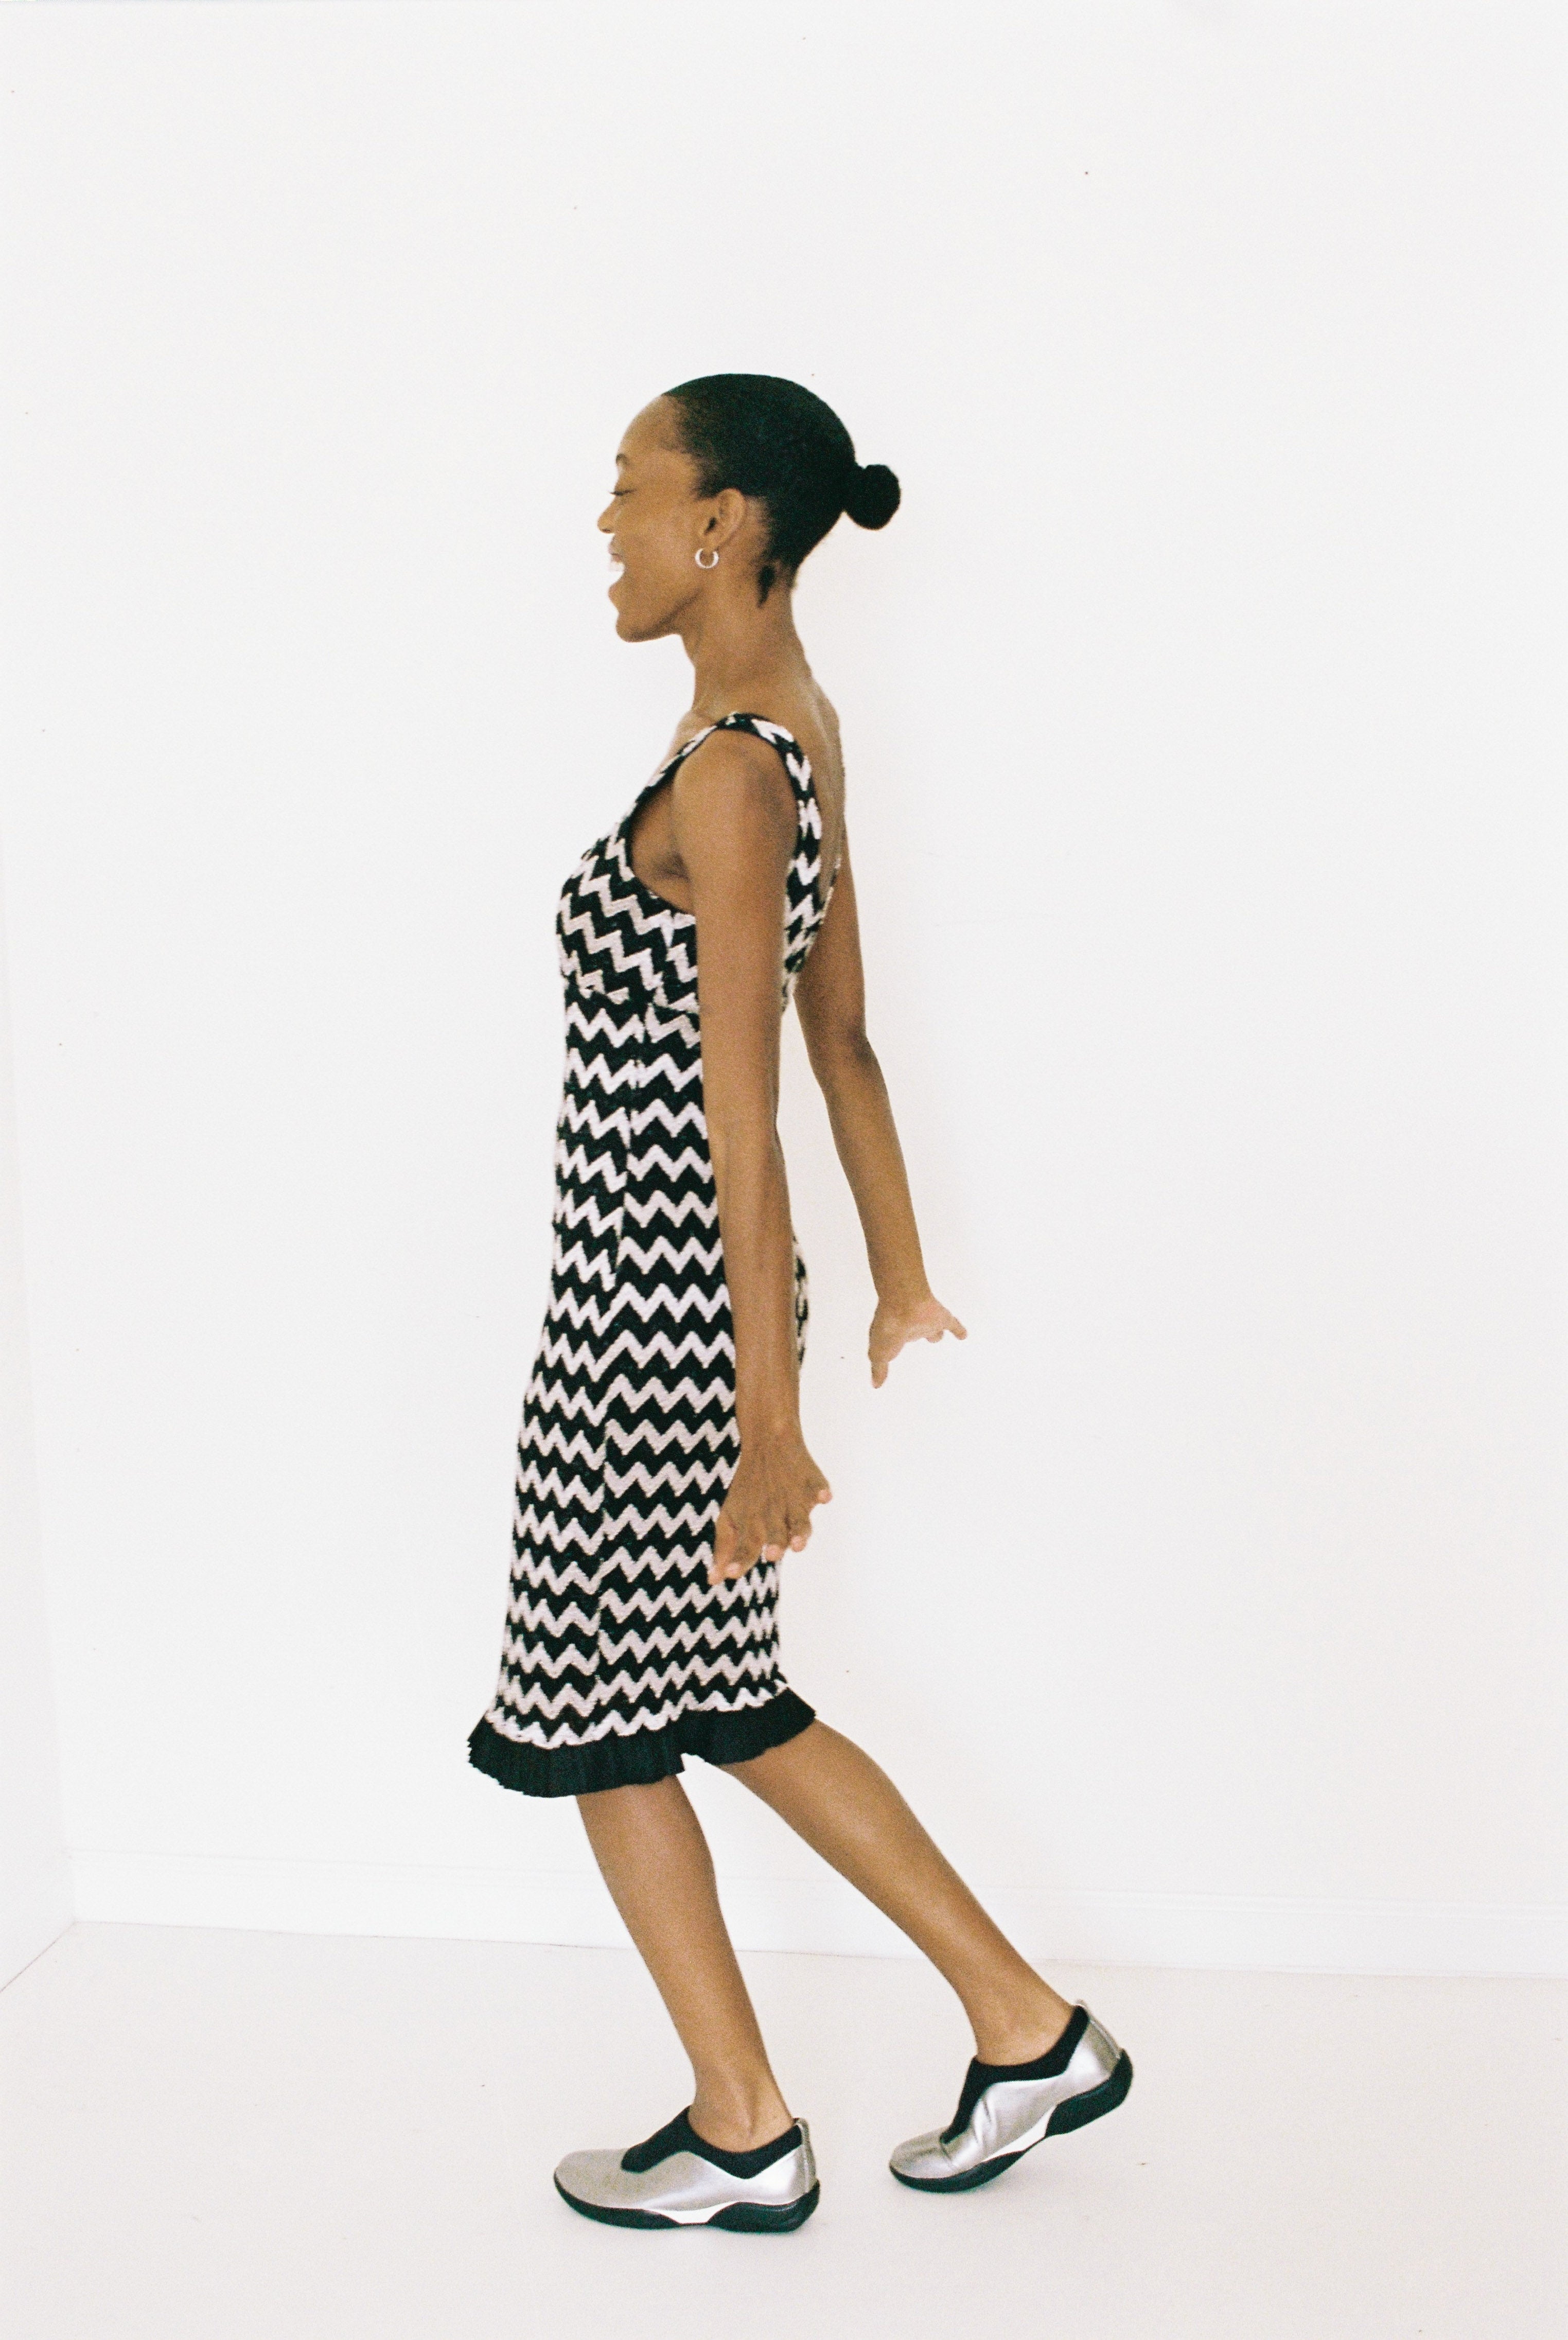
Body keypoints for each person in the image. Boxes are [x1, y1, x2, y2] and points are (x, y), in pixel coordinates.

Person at [468, 374, 1133, 2231]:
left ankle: (747, 2127)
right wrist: (897, 1277)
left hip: (657, 1304)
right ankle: (1024, 2028)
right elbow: (848, 1042)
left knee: (594, 1708)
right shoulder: (792, 726)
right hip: (682, 1294)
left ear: (721, 523)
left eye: (630, 489)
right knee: (720, 1696)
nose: (606, 525)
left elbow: (746, 1111)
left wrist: (773, 1422)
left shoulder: (730, 774)